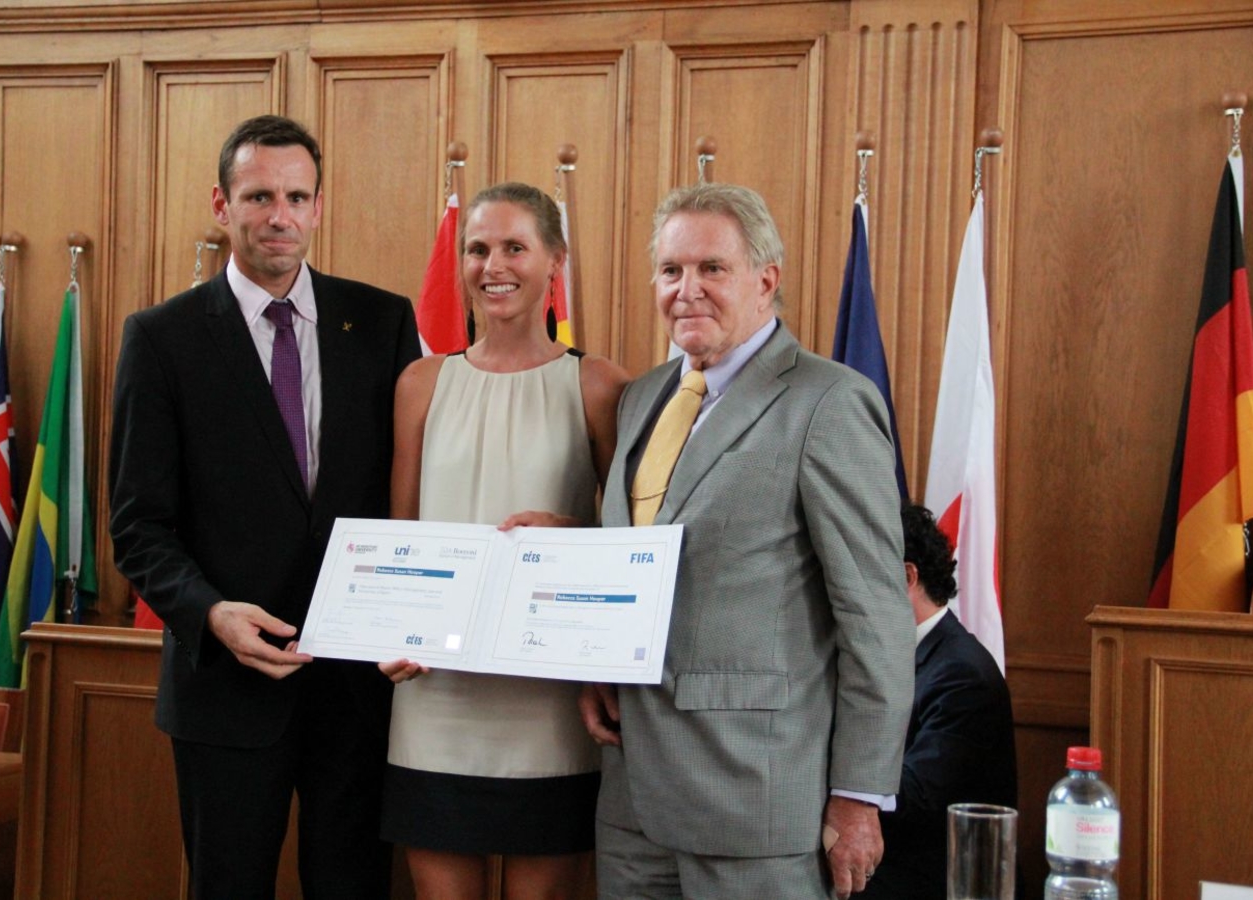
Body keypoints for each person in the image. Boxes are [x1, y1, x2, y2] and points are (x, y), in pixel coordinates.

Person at [108, 114, 421, 899]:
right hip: (225, 692)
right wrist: (211, 614)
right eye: (258, 197)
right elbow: (138, 526)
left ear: (318, 206)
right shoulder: (162, 338)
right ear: (222, 205)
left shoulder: (382, 322)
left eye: (296, 197)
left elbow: (414, 495)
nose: (280, 215)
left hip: (357, 689)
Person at [579, 182, 916, 900]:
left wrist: (859, 795)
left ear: (766, 280)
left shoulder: (829, 403)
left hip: (756, 804)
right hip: (632, 799)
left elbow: (876, 617)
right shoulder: (641, 399)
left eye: (712, 268)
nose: (687, 290)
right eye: (671, 270)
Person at [378, 182, 629, 900]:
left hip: (549, 700)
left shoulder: (599, 385)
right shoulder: (421, 382)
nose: (494, 266)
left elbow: (636, 542)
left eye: (515, 247)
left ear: (555, 260)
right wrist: (389, 627)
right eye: (478, 249)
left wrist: (569, 534)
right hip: (435, 695)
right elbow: (401, 537)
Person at [861, 503, 1018, 900]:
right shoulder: (889, 657)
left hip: (931, 881)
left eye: (863, 574)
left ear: (906, 576)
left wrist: (825, 768)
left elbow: (917, 799)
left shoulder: (962, 675)